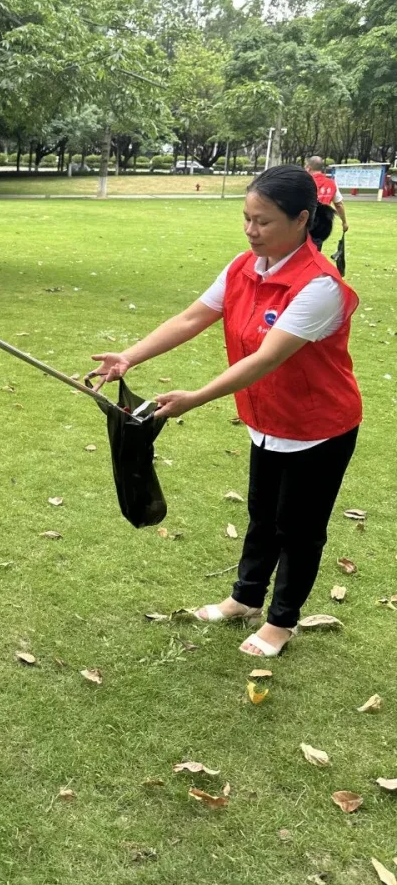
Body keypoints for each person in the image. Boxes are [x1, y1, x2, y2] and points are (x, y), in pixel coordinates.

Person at [88, 165, 362, 658]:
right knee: (262, 516)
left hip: (318, 427)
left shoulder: (320, 286)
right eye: (247, 218)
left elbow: (267, 358)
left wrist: (194, 397)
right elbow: (193, 317)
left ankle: (281, 622)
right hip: (268, 421)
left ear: (302, 219)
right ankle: (245, 599)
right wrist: (130, 356)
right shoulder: (242, 268)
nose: (251, 231)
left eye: (264, 221)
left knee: (298, 529)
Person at [306, 156, 348, 248]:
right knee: (315, 251)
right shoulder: (331, 183)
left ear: (308, 167)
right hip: (320, 226)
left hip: (303, 223)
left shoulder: (305, 181)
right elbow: (339, 205)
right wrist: (344, 222)